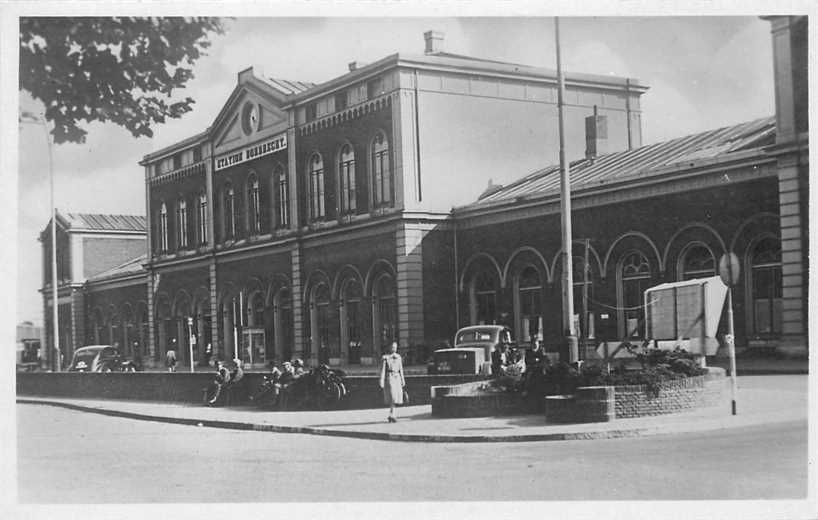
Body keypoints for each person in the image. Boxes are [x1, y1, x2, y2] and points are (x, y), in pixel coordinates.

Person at [379, 341, 406, 423]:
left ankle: (392, 414)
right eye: (392, 347)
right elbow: (382, 370)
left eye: (395, 347)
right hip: (389, 377)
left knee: (396, 396)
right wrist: (381, 380)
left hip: (397, 377)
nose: (394, 348)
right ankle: (392, 413)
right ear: (389, 347)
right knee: (392, 395)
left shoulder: (399, 357)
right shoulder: (385, 358)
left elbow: (401, 369)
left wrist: (402, 379)